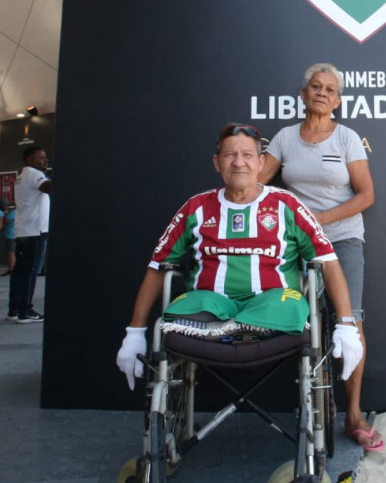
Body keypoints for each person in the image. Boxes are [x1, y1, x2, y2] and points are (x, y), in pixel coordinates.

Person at [116, 123, 364, 391]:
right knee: (179, 309)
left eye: (247, 155)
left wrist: (346, 325)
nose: (238, 163)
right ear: (216, 162)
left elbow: (327, 260)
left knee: (289, 305)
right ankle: (234, 326)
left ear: (260, 163)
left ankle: (237, 325)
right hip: (211, 305)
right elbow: (157, 267)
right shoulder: (195, 208)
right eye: (229, 155)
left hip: (273, 302)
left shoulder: (288, 205)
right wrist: (135, 332)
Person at [259, 63, 381, 451]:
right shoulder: (283, 138)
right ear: (303, 94)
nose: (323, 93)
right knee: (296, 318)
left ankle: (356, 415)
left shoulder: (346, 138)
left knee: (350, 322)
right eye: (316, 87)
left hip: (342, 239)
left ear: (338, 101)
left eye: (330, 89)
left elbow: (366, 195)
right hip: (297, 243)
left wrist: (322, 219)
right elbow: (255, 182)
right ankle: (311, 404)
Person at [7, 147, 50, 323]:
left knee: (20, 271)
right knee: (31, 271)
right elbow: (48, 187)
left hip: (25, 229)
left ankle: (14, 309)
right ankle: (26, 310)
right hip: (35, 230)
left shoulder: (22, 176)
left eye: (45, 157)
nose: (44, 160)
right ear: (29, 159)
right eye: (40, 157)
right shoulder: (33, 174)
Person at [0, 202, 16, 276]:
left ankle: (11, 269)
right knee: (12, 252)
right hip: (15, 234)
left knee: (10, 252)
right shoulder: (19, 212)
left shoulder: (13, 213)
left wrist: (4, 217)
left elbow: (6, 221)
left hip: (10, 235)